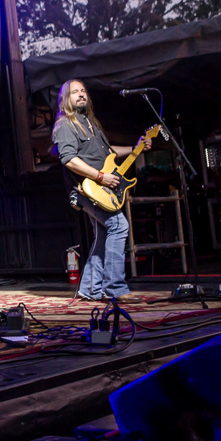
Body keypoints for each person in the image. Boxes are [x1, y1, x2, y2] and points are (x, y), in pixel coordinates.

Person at [52, 79, 152, 301]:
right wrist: (100, 176)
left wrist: (136, 148)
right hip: (86, 188)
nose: (81, 95)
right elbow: (68, 160)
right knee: (118, 225)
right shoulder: (66, 125)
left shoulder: (92, 123)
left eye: (83, 91)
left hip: (100, 186)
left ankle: (89, 288)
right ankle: (114, 287)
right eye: (74, 92)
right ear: (65, 99)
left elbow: (109, 153)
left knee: (104, 234)